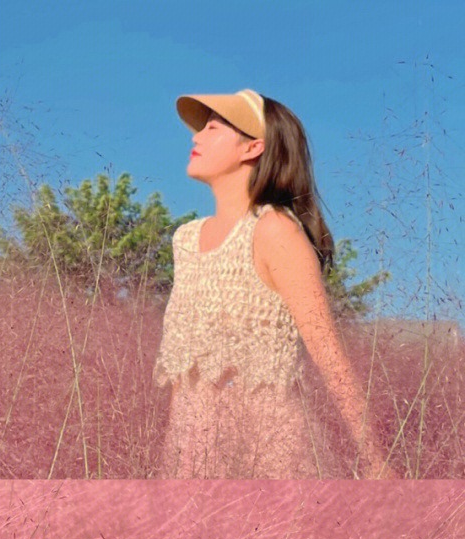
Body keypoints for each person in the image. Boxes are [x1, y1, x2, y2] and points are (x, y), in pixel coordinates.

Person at [153, 89, 401, 481]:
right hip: (193, 458)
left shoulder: (275, 231)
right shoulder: (185, 239)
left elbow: (329, 355)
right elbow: (185, 374)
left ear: (253, 147)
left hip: (269, 454)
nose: (196, 136)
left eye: (213, 128)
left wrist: (376, 462)